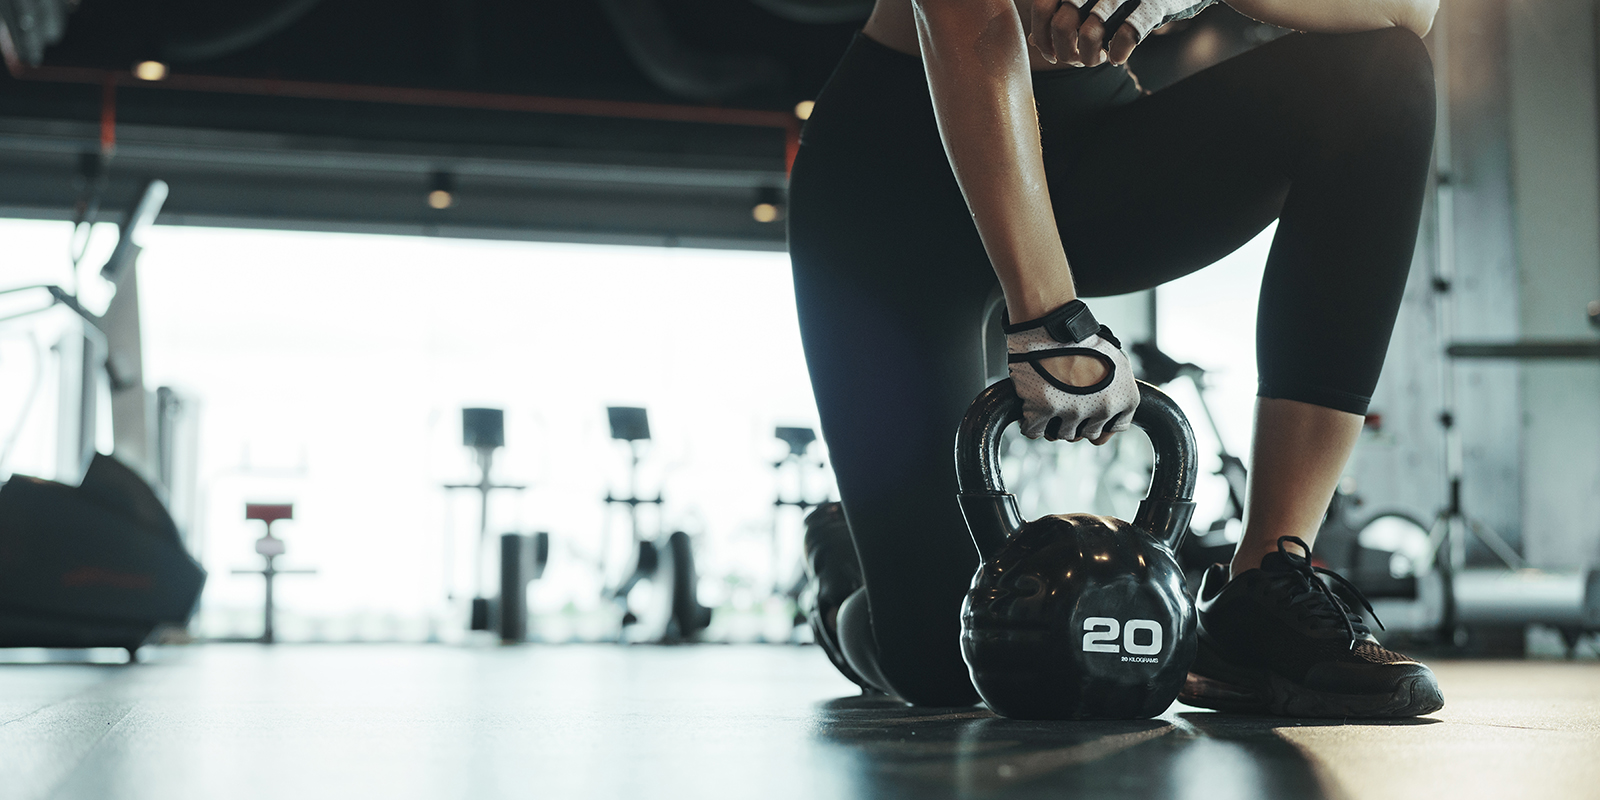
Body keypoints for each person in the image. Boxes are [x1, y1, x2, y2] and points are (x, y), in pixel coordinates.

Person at [788, 0, 1444, 717]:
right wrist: (1050, 316)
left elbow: (1411, 8)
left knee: (1383, 73)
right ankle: (844, 576)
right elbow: (963, 18)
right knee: (953, 662)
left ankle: (1262, 587)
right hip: (893, 184)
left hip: (1083, 142)